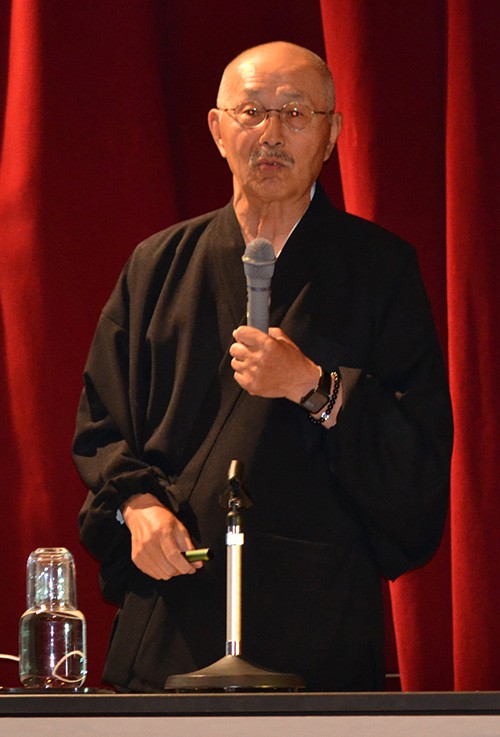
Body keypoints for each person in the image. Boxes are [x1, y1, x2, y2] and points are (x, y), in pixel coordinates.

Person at [73, 41, 453, 692]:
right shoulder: (157, 266)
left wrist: (315, 387)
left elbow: (417, 460)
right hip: (173, 617)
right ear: (218, 130)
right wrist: (136, 505)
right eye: (251, 112)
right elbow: (100, 427)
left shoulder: (380, 270)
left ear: (332, 134)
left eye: (296, 113)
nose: (271, 133)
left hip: (318, 629)